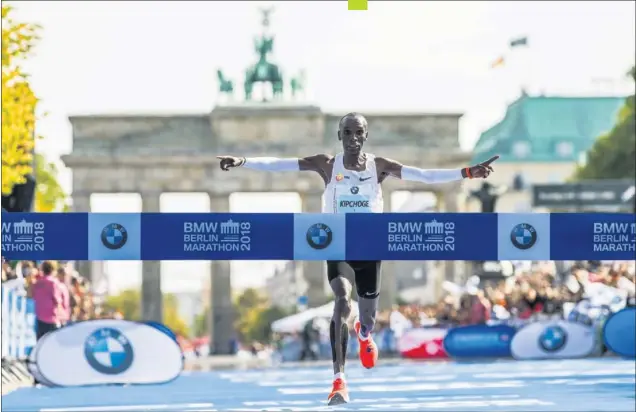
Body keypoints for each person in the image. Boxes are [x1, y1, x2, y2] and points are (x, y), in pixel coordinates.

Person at [217, 112, 498, 405]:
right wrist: (243, 161)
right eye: (347, 133)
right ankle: (339, 380)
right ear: (340, 136)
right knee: (341, 301)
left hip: (369, 248)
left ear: (366, 136)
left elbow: (424, 175)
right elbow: (282, 165)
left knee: (367, 317)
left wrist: (466, 173)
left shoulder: (380, 167)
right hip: (336, 244)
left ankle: (364, 334)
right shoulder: (326, 164)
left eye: (358, 133)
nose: (353, 139)